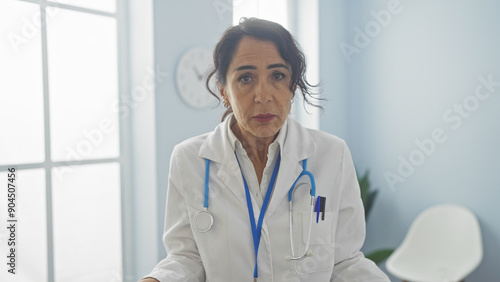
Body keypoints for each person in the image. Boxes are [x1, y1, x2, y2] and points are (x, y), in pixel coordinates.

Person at [140, 18, 389, 282]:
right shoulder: (189, 160)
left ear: (292, 86)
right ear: (224, 91)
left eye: (277, 76)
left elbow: (345, 261)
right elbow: (186, 258)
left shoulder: (332, 155)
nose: (263, 95)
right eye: (245, 78)